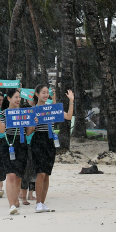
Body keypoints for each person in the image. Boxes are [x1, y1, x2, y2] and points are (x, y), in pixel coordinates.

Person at [31, 85, 74, 213]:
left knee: (47, 174)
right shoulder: (33, 109)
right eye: (43, 93)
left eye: (47, 93)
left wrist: (71, 100)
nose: (45, 95)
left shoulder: (52, 109)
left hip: (50, 141)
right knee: (41, 172)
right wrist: (34, 122)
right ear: (37, 94)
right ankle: (38, 203)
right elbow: (28, 132)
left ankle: (42, 203)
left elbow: (69, 117)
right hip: (38, 140)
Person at [0, 88, 27, 215]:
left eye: (19, 97)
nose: (18, 99)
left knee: (18, 176)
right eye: (16, 97)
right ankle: (11, 205)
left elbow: (29, 131)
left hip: (21, 143)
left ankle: (15, 200)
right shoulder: (4, 113)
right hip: (7, 143)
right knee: (10, 175)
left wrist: (33, 123)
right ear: (9, 98)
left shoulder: (24, 112)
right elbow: (1, 130)